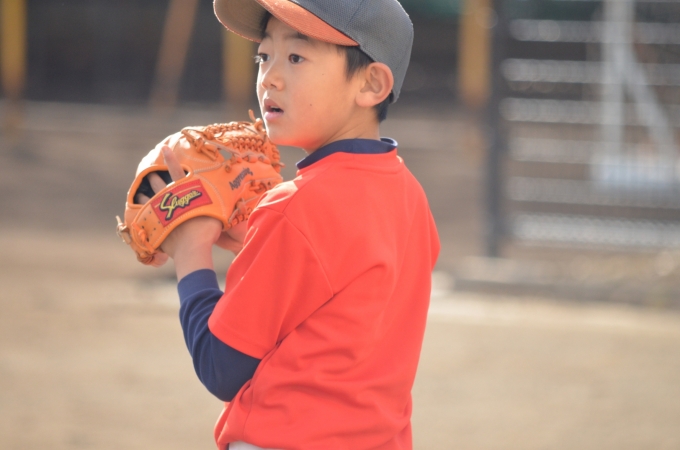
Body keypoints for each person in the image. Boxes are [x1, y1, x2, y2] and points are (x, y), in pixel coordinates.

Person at [147, 0, 440, 448]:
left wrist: (190, 249)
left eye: (297, 57)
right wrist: (258, 240)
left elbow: (220, 367)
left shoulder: (294, 207)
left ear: (371, 84)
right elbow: (340, 296)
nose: (270, 77)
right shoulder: (410, 194)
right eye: (264, 56)